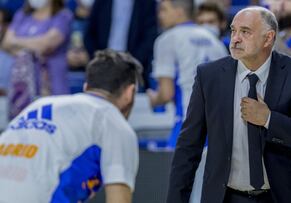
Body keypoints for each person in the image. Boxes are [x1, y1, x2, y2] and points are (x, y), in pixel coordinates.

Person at [167, 6, 291, 203]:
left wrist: (269, 119)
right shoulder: (209, 76)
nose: (235, 38)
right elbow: (188, 147)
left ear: (268, 38)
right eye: (233, 30)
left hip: (283, 196)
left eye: (245, 32)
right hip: (227, 197)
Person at [0, 49, 142, 203]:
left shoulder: (39, 105)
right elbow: (118, 199)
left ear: (86, 87)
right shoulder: (113, 122)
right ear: (130, 92)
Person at [147, 0, 228, 148]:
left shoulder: (167, 39)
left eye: (164, 10)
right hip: (219, 126)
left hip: (187, 122)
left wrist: (153, 99)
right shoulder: (215, 42)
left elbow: (166, 94)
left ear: (179, 12)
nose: (159, 15)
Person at [84, 0, 158, 89]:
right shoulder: (102, 2)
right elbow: (89, 34)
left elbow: (150, 36)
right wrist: (98, 59)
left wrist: (133, 62)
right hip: (103, 64)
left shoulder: (146, 3)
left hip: (134, 66)